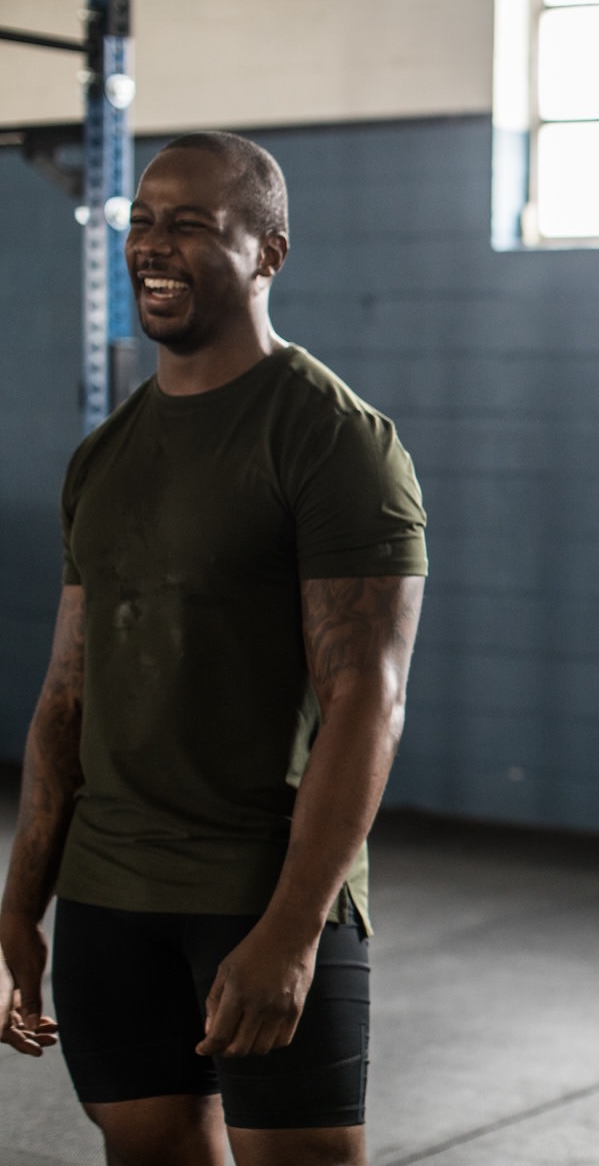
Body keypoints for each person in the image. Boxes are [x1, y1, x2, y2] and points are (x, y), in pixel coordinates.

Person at [0, 131, 427, 1166]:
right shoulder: (103, 457)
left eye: (191, 224)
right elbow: (68, 697)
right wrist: (21, 901)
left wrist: (289, 935)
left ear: (267, 252)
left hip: (260, 892)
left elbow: (367, 697)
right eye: (143, 221)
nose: (154, 245)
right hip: (110, 893)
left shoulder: (332, 439)